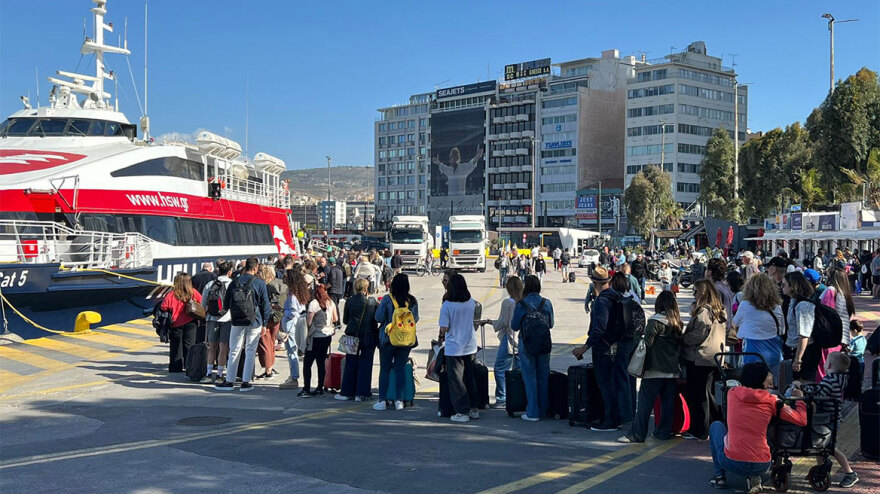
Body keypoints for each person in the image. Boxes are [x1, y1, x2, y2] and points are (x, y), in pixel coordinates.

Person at [708, 362, 808, 492]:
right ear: (763, 381)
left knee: (716, 426)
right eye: (769, 381)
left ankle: (719, 477)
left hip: (733, 463)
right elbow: (801, 420)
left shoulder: (732, 393)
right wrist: (800, 399)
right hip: (762, 464)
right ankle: (754, 475)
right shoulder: (772, 400)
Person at [572, 268, 634, 431]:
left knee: (606, 384)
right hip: (617, 345)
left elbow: (599, 328)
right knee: (615, 382)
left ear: (594, 283)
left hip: (604, 347)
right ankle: (619, 417)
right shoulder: (617, 296)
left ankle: (610, 420)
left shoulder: (602, 301)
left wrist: (585, 347)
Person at [619, 290, 683, 443]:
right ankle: (663, 432)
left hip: (654, 369)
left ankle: (637, 434)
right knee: (668, 404)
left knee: (645, 405)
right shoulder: (677, 323)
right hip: (672, 370)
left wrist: (636, 336)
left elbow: (647, 344)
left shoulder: (655, 321)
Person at [215, 257, 272, 392]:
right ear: (255, 268)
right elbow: (266, 305)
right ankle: (245, 382)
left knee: (234, 350)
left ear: (245, 267)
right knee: (250, 351)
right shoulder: (259, 283)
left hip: (237, 320)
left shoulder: (235, 281)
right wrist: (264, 323)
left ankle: (229, 381)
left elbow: (227, 302)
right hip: (255, 321)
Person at [681, 279, 727, 440]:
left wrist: (683, 338)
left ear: (702, 292)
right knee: (708, 392)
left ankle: (699, 429)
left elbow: (699, 333)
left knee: (698, 394)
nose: (693, 295)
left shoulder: (704, 312)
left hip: (699, 356)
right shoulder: (719, 310)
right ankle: (715, 424)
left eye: (695, 291)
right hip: (714, 357)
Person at [811, 352, 860, 488]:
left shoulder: (829, 380)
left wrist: (803, 390)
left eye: (826, 362)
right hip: (834, 418)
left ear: (830, 365)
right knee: (821, 446)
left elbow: (819, 395)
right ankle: (821, 469)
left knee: (830, 447)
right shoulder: (840, 378)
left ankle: (850, 473)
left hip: (828, 419)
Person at [374, 274, 419, 411]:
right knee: (400, 369)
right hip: (405, 340)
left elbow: (378, 317)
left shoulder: (387, 299)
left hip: (387, 339)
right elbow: (415, 319)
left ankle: (382, 400)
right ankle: (399, 400)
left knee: (385, 369)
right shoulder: (411, 301)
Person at [511, 275, 554, 421]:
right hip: (543, 343)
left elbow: (514, 326)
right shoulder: (546, 303)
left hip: (527, 343)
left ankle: (532, 412)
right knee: (543, 376)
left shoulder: (521, 304)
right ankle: (544, 409)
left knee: (530, 378)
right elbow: (551, 324)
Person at [439, 273, 480, 423]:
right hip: (470, 345)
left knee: (456, 380)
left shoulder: (447, 305)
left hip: (454, 346)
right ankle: (474, 408)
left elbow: (444, 327)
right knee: (470, 378)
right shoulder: (470, 302)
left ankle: (462, 411)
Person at [733, 274, 784, 382]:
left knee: (752, 386)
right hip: (774, 351)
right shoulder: (777, 307)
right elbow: (782, 329)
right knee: (773, 386)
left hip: (752, 352)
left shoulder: (745, 305)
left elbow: (735, 323)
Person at [337, 278, 379, 401]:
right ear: (366, 288)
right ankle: (362, 393)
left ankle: (347, 392)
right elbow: (376, 319)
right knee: (366, 363)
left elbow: (345, 320)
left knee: (350, 362)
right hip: (368, 334)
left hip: (352, 334)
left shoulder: (349, 301)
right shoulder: (372, 301)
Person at [487, 276, 523, 408]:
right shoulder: (523, 302)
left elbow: (503, 322)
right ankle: (519, 396)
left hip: (509, 338)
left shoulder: (508, 303)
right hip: (522, 340)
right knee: (519, 370)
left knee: (500, 368)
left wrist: (491, 322)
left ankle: (502, 397)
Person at [160, 272, 203, 373]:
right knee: (190, 345)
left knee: (175, 346)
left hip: (175, 323)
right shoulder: (193, 293)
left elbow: (164, 306)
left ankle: (175, 367)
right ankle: (189, 366)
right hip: (191, 321)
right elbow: (202, 302)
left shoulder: (171, 295)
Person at [782, 271, 821, 382]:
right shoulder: (793, 301)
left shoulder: (803, 305)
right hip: (795, 348)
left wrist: (798, 359)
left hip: (805, 351)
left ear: (793, 286)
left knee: (802, 384)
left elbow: (804, 334)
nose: (782, 287)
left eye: (784, 285)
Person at [300, 284, 338, 397]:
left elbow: (309, 322)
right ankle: (320, 388)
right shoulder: (331, 303)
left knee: (307, 363)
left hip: (315, 336)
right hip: (327, 335)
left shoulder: (314, 304)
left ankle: (306, 389)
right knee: (321, 363)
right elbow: (335, 318)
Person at [818, 267, 855, 380]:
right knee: (837, 372)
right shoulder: (845, 294)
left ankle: (823, 393)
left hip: (828, 338)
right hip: (840, 337)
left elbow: (825, 313)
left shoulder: (830, 290)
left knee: (825, 369)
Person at [200, 261, 233, 383]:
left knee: (211, 346)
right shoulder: (232, 284)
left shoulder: (210, 284)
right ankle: (220, 374)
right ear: (230, 272)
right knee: (223, 346)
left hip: (212, 318)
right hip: (227, 319)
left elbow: (203, 304)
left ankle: (209, 374)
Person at [278, 269, 312, 390]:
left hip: (291, 323)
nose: (283, 277)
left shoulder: (292, 295)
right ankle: (293, 375)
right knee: (292, 350)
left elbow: (293, 312)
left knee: (292, 350)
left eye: (285, 276)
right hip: (294, 322)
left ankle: (294, 377)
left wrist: (287, 329)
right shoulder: (298, 292)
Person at [255, 265, 285, 380]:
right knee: (271, 342)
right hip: (277, 316)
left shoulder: (265, 286)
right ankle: (271, 366)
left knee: (264, 343)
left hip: (267, 317)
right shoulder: (279, 284)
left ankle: (268, 369)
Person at [327, 258, 345, 330]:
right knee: (336, 306)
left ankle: (337, 323)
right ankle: (337, 323)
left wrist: (325, 287)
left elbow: (332, 280)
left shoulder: (333, 270)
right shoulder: (339, 269)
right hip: (339, 291)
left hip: (333, 290)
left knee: (334, 307)